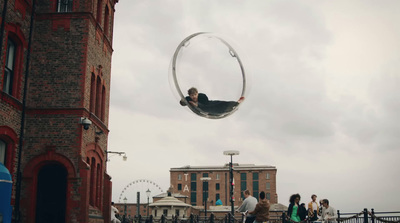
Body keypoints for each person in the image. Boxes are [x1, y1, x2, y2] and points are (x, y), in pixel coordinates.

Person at [180, 87, 244, 116]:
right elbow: (182, 103)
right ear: (189, 95)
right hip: (205, 110)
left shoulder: (202, 96)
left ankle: (235, 103)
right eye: (192, 95)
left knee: (219, 104)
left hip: (208, 104)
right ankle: (231, 108)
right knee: (216, 111)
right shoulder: (188, 99)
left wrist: (197, 104)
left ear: (197, 93)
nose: (194, 97)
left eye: (195, 95)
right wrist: (184, 101)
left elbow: (206, 105)